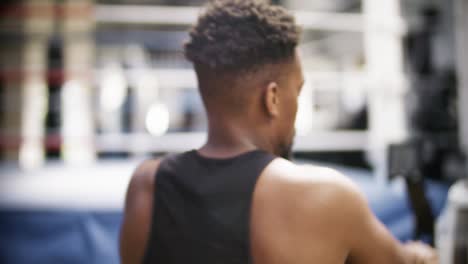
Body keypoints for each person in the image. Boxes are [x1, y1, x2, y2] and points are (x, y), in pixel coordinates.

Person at [120, 0, 438, 263]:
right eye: (296, 93)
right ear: (272, 98)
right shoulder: (323, 193)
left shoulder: (146, 184)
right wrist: (422, 255)